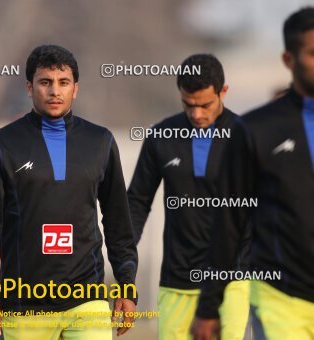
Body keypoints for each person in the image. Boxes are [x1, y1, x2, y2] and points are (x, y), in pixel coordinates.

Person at [0, 44, 138, 340]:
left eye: (63, 83)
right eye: (45, 82)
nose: (54, 91)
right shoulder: (1, 146)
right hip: (24, 303)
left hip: (88, 299)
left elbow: (117, 221)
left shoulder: (100, 141)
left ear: (76, 88)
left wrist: (126, 285)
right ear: (29, 87)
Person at [191, 7, 314, 340]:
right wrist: (208, 306)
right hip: (282, 298)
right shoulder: (256, 129)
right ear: (289, 59)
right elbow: (229, 220)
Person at [127, 54, 251, 340]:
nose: (196, 114)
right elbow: (136, 203)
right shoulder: (160, 136)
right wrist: (125, 261)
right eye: (188, 104)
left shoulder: (249, 137)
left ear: (223, 92)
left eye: (205, 105)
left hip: (232, 281)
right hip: (176, 281)